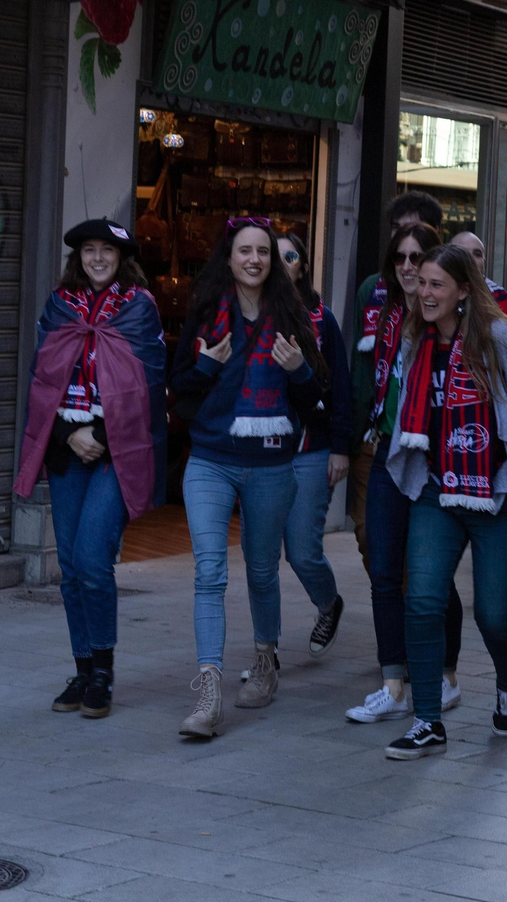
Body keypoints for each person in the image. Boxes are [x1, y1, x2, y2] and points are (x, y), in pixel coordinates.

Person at [383, 245, 507, 759]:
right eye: (421, 283)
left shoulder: (496, 337)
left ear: (462, 291)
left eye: (436, 284)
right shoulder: (415, 338)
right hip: (438, 490)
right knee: (422, 601)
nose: (425, 293)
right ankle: (427, 720)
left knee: (494, 614)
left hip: (500, 494)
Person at [169, 218, 330, 738]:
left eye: (264, 251)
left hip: (271, 465)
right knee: (209, 573)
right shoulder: (206, 312)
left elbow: (316, 398)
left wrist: (298, 369)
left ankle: (265, 662)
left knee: (262, 572)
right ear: (229, 257)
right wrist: (205, 366)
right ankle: (209, 694)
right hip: (210, 461)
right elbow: (178, 387)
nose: (255, 259)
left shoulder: (292, 314)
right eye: (245, 250)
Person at [14, 219, 166, 720]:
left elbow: (147, 385)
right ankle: (82, 670)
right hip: (67, 445)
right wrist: (67, 434)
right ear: (77, 257)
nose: (97, 258)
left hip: (114, 450)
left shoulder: (139, 308)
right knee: (71, 567)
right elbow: (42, 379)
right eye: (89, 250)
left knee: (93, 559)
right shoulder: (59, 305)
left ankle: (103, 672)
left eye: (107, 251)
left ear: (122, 258)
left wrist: (98, 435)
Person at [345, 222, 467, 725]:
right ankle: (393, 684)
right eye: (400, 257)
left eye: (418, 257)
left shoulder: (444, 320)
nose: (409, 266)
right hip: (387, 453)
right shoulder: (389, 316)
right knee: (383, 567)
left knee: (429, 574)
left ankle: (445, 674)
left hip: (433, 462)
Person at [348, 192, 445, 568]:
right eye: (396, 230)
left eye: (414, 231)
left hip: (431, 444)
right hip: (376, 439)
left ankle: (415, 603)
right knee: (370, 538)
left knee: (418, 550)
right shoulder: (371, 291)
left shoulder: (449, 296)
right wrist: (352, 438)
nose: (406, 260)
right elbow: (361, 369)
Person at [277, 232, 349, 655]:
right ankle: (265, 650)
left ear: (303, 266)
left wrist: (340, 447)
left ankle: (328, 603)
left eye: (290, 255)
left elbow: (341, 387)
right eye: (274, 254)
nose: (281, 262)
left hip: (312, 449)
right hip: (261, 452)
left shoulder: (323, 318)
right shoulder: (248, 313)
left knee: (302, 552)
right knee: (260, 560)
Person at [448, 230, 507, 327]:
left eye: (477, 254)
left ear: (484, 262)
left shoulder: (500, 296)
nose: (471, 259)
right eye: (462, 252)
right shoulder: (436, 289)